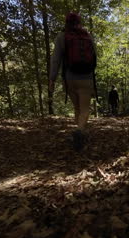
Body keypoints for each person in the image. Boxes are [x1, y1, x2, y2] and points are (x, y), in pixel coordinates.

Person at [49, 12, 97, 151]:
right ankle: (80, 131)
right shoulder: (87, 36)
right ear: (79, 22)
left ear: (66, 22)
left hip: (69, 78)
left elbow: (56, 59)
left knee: (77, 107)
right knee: (85, 109)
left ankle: (79, 131)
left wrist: (52, 79)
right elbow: (95, 56)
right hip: (86, 78)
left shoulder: (62, 36)